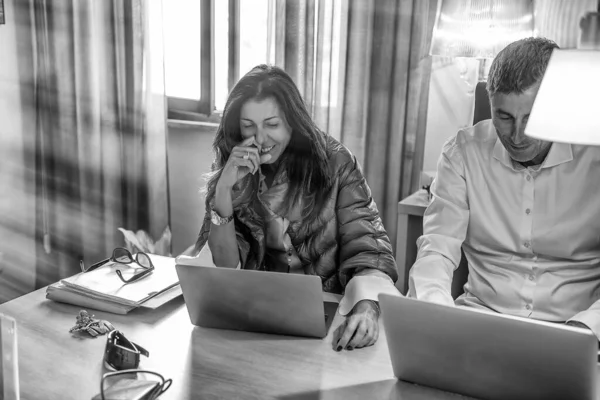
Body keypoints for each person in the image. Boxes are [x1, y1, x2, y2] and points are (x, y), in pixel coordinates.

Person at [186, 64, 399, 351]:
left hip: (328, 312)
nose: (260, 140)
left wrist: (367, 308)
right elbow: (224, 268)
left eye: (272, 125)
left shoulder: (336, 162)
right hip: (256, 316)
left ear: (292, 121)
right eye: (249, 126)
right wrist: (223, 190)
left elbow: (368, 248)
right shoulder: (234, 164)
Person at [409, 37, 600, 338]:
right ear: (491, 104)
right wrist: (435, 313)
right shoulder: (462, 153)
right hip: (480, 322)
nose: (518, 135)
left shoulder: (595, 157)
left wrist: (586, 330)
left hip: (577, 330)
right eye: (505, 117)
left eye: (531, 118)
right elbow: (437, 250)